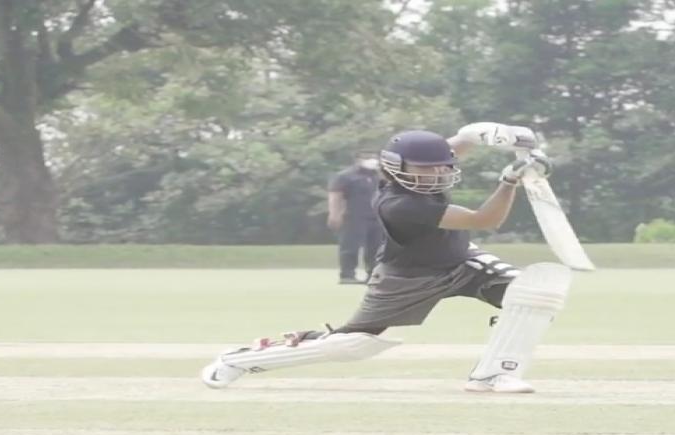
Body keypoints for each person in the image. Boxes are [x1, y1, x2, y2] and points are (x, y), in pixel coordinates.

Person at [202, 122, 571, 393]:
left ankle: (492, 375)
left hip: (461, 262)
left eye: (444, 167)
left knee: (533, 292)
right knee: (351, 346)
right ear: (396, 169)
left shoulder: (426, 165)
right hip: (407, 279)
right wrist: (510, 181)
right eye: (426, 169)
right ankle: (240, 360)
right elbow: (484, 220)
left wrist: (487, 132)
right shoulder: (399, 204)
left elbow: (456, 144)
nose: (437, 174)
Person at [327, 150, 383, 284]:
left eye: (374, 156)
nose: (372, 159)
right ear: (358, 159)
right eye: (368, 157)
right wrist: (334, 214)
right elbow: (335, 195)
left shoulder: (379, 176)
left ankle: (373, 275)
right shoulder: (345, 176)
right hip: (353, 216)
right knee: (350, 246)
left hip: (376, 216)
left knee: (376, 248)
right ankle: (347, 275)